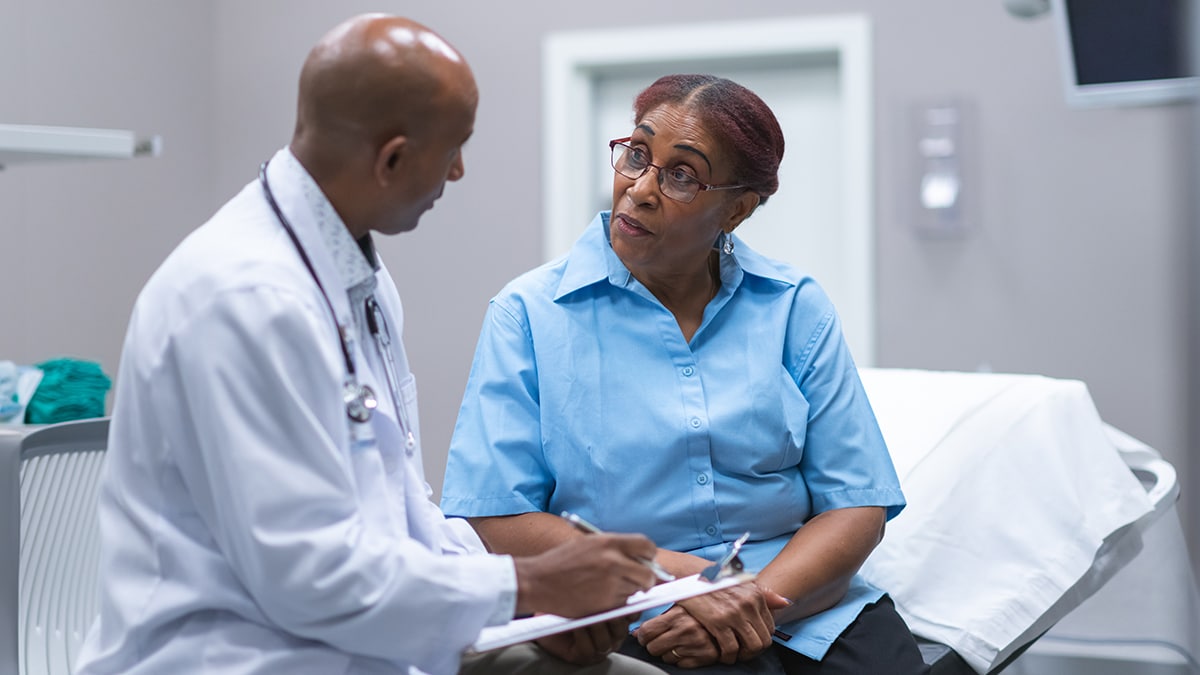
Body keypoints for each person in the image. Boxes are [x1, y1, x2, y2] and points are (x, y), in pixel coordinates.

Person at [74, 14, 668, 675]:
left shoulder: (359, 278)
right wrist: (526, 586)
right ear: (392, 159)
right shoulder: (244, 299)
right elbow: (310, 576)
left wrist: (527, 603)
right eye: (454, 149)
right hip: (234, 657)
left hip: (362, 643)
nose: (461, 170)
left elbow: (402, 516)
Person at [441, 74, 930, 674]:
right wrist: (701, 585)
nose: (640, 189)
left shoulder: (793, 306)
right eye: (637, 156)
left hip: (808, 609)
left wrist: (755, 602)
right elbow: (497, 515)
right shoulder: (530, 314)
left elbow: (856, 504)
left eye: (680, 175)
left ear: (738, 209)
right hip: (633, 617)